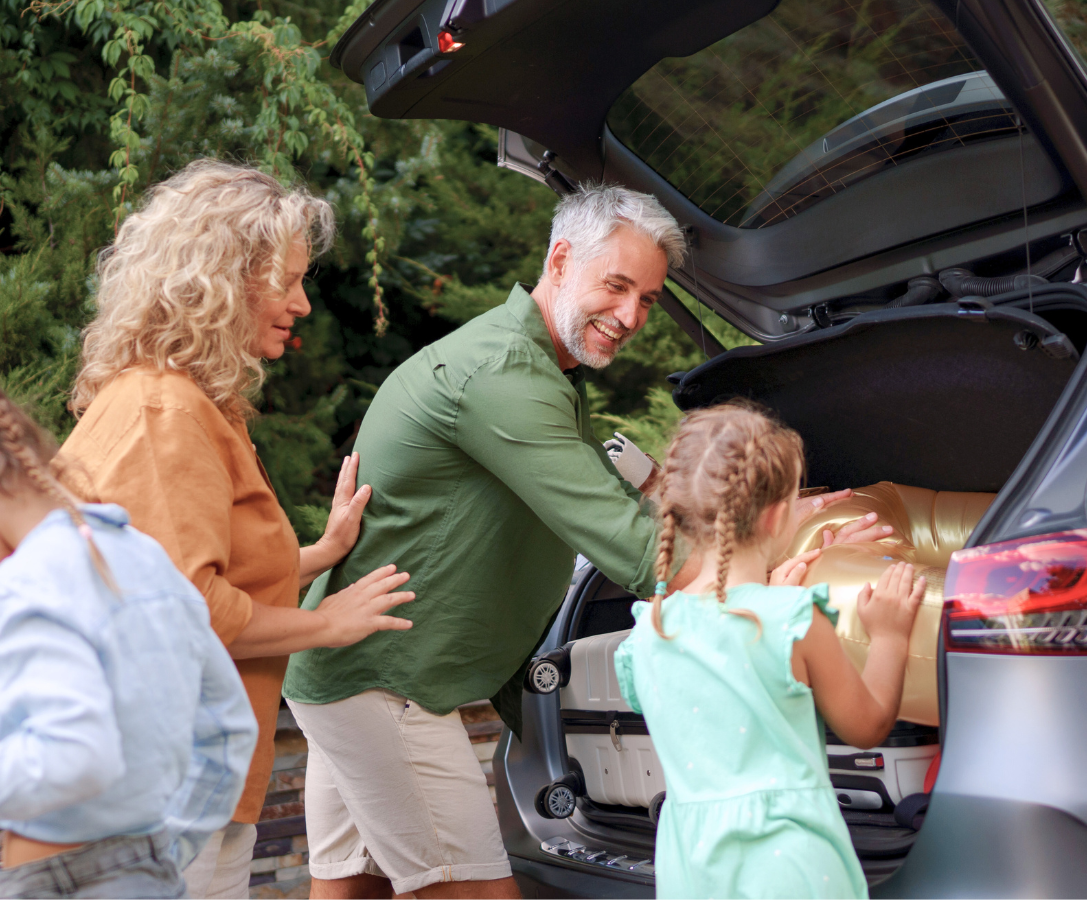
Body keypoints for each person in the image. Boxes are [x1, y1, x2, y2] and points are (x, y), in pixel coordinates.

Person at [282, 184, 890, 899]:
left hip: (348, 677)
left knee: (352, 891)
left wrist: (782, 504)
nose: (630, 315)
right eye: (617, 286)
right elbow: (631, 545)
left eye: (649, 299)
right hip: (390, 686)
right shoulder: (505, 376)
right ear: (561, 259)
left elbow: (636, 498)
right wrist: (781, 565)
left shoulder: (536, 369)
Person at [54, 160, 414, 898]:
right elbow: (183, 607)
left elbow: (193, 571)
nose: (304, 304)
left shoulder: (184, 403)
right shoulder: (164, 412)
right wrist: (327, 625)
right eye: (287, 281)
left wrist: (320, 554)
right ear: (219, 281)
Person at [0, 367, 258, 899]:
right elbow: (229, 731)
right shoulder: (143, 556)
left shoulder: (27, 580)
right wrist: (158, 859)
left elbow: (73, 755)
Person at [613, 402, 927, 899]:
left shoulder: (646, 633)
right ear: (781, 514)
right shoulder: (793, 620)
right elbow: (867, 727)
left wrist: (770, 586)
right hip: (791, 867)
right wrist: (888, 635)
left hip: (690, 868)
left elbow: (718, 656)